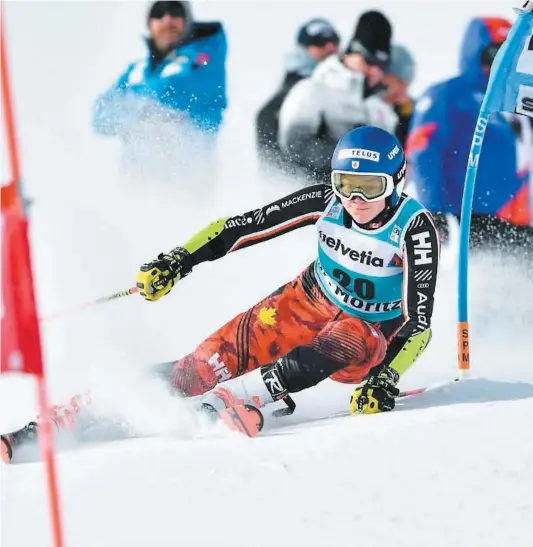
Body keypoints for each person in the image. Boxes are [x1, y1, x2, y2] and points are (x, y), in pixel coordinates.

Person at [1, 127, 440, 460]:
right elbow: (241, 228)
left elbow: (420, 324)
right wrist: (178, 260)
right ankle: (68, 415)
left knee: (349, 335)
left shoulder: (413, 228)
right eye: (346, 185)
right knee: (195, 370)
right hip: (306, 301)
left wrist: (387, 377)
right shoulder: (324, 203)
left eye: (370, 188)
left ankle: (247, 396)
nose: (355, 200)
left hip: (367, 339)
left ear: (396, 182)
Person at [407, 16, 533, 253]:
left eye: (510, 56)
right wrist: (432, 211)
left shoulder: (515, 102)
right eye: (493, 55)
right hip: (474, 218)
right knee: (490, 282)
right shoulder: (448, 95)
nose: (500, 64)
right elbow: (423, 152)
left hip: (520, 220)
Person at [92, 1, 227, 180]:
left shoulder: (204, 59)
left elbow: (176, 90)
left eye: (175, 11)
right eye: (159, 12)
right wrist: (142, 109)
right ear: (149, 23)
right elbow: (101, 117)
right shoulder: (136, 71)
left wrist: (131, 106)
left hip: (188, 186)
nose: (167, 19)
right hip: (135, 187)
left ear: (187, 20)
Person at [277, 11, 398, 184]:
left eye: (382, 65)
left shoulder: (379, 106)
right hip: (315, 196)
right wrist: (350, 158)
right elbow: (295, 146)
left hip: (365, 200)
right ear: (352, 53)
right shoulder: (313, 89)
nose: (375, 71)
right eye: (369, 61)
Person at [255, 18, 340, 170]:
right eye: (320, 43)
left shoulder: (343, 86)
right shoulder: (288, 97)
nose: (330, 48)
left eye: (335, 42)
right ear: (302, 49)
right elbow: (276, 164)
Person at [383, 45, 416, 148]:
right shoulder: (364, 106)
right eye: (398, 81)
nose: (402, 88)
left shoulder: (411, 109)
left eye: (404, 83)